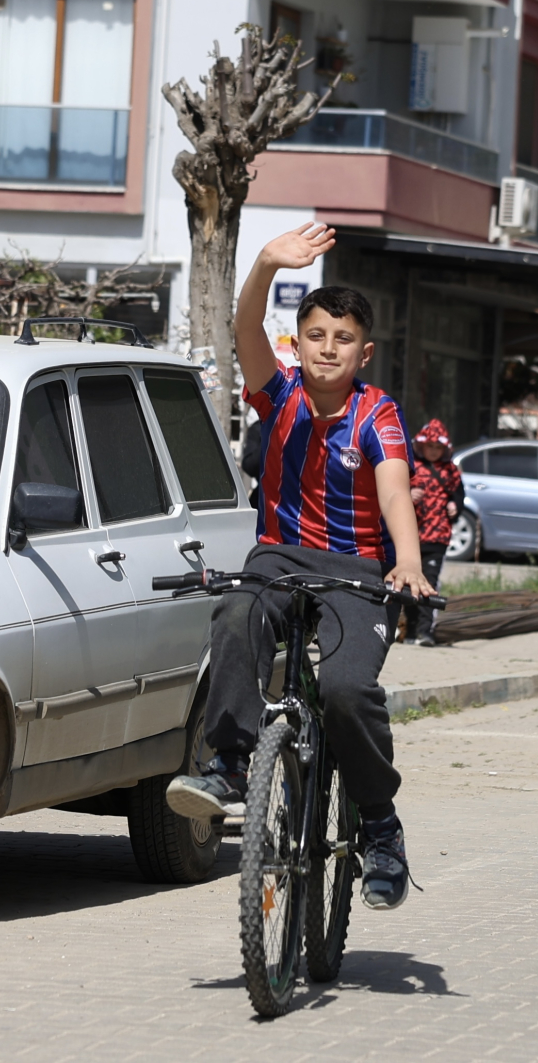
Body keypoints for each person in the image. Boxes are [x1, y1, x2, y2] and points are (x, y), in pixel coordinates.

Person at [165, 221, 431, 910]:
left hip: (356, 571)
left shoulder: (378, 415)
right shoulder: (277, 394)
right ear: (297, 343)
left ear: (363, 351)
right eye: (316, 336)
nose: (327, 349)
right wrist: (262, 263)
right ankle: (227, 764)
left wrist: (407, 561)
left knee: (345, 693)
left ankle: (379, 825)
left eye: (343, 340)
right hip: (279, 558)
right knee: (234, 615)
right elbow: (243, 324)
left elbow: (396, 490)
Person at [407, 421, 464, 645]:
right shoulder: (409, 467)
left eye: (437, 447)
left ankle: (425, 632)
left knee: (429, 584)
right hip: (409, 537)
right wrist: (409, 494)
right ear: (421, 446)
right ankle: (409, 631)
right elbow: (392, 493)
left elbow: (458, 495)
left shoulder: (450, 471)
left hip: (437, 538)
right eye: (429, 446)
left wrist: (455, 507)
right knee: (407, 584)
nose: (433, 451)